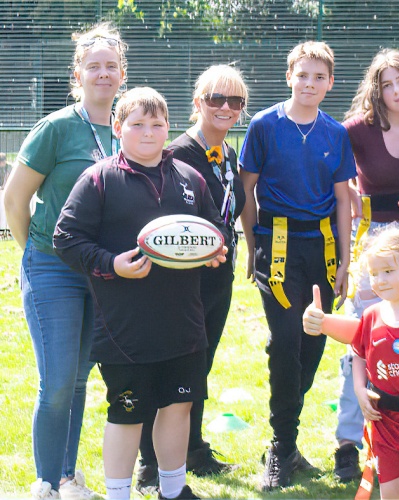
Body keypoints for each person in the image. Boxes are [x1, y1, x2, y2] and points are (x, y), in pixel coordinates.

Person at [53, 87, 228, 500]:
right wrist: (112, 264)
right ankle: (118, 494)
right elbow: (66, 238)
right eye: (137, 124)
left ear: (169, 128)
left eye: (157, 124)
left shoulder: (190, 178)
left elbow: (213, 230)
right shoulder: (99, 178)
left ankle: (174, 490)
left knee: (178, 406)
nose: (148, 133)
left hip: (183, 321)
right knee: (127, 413)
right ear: (118, 129)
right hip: (124, 328)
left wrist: (212, 251)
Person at [2, 22, 127, 500]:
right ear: (78, 73)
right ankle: (45, 486)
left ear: (121, 75)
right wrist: (32, 254)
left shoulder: (126, 128)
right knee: (56, 380)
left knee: (79, 378)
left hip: (100, 271)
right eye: (93, 66)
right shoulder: (56, 127)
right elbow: (15, 199)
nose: (102, 73)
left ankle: (69, 478)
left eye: (110, 66)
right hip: (52, 266)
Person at [238, 40, 356, 491]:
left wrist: (345, 260)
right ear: (289, 76)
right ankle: (281, 444)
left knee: (313, 342)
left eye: (319, 77)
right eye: (302, 75)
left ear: (330, 82)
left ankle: (285, 443)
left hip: (322, 246)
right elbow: (247, 190)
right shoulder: (264, 125)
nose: (310, 83)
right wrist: (252, 245)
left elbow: (344, 198)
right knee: (285, 340)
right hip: (278, 242)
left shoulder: (336, 132)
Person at [136, 65, 248, 491]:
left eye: (234, 101)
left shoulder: (228, 156)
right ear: (197, 102)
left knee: (198, 367)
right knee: (170, 369)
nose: (224, 107)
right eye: (215, 98)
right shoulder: (179, 154)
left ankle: (193, 449)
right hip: (183, 283)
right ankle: (150, 465)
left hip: (218, 278)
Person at [333, 48, 399, 483]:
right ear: (375, 93)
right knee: (360, 342)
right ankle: (347, 443)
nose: (397, 91)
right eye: (386, 84)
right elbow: (334, 176)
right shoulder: (358, 130)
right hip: (375, 243)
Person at [303, 227, 399, 499]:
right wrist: (361, 391)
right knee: (390, 493)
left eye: (388, 271)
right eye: (374, 274)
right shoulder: (371, 316)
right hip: (384, 423)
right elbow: (360, 355)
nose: (380, 280)